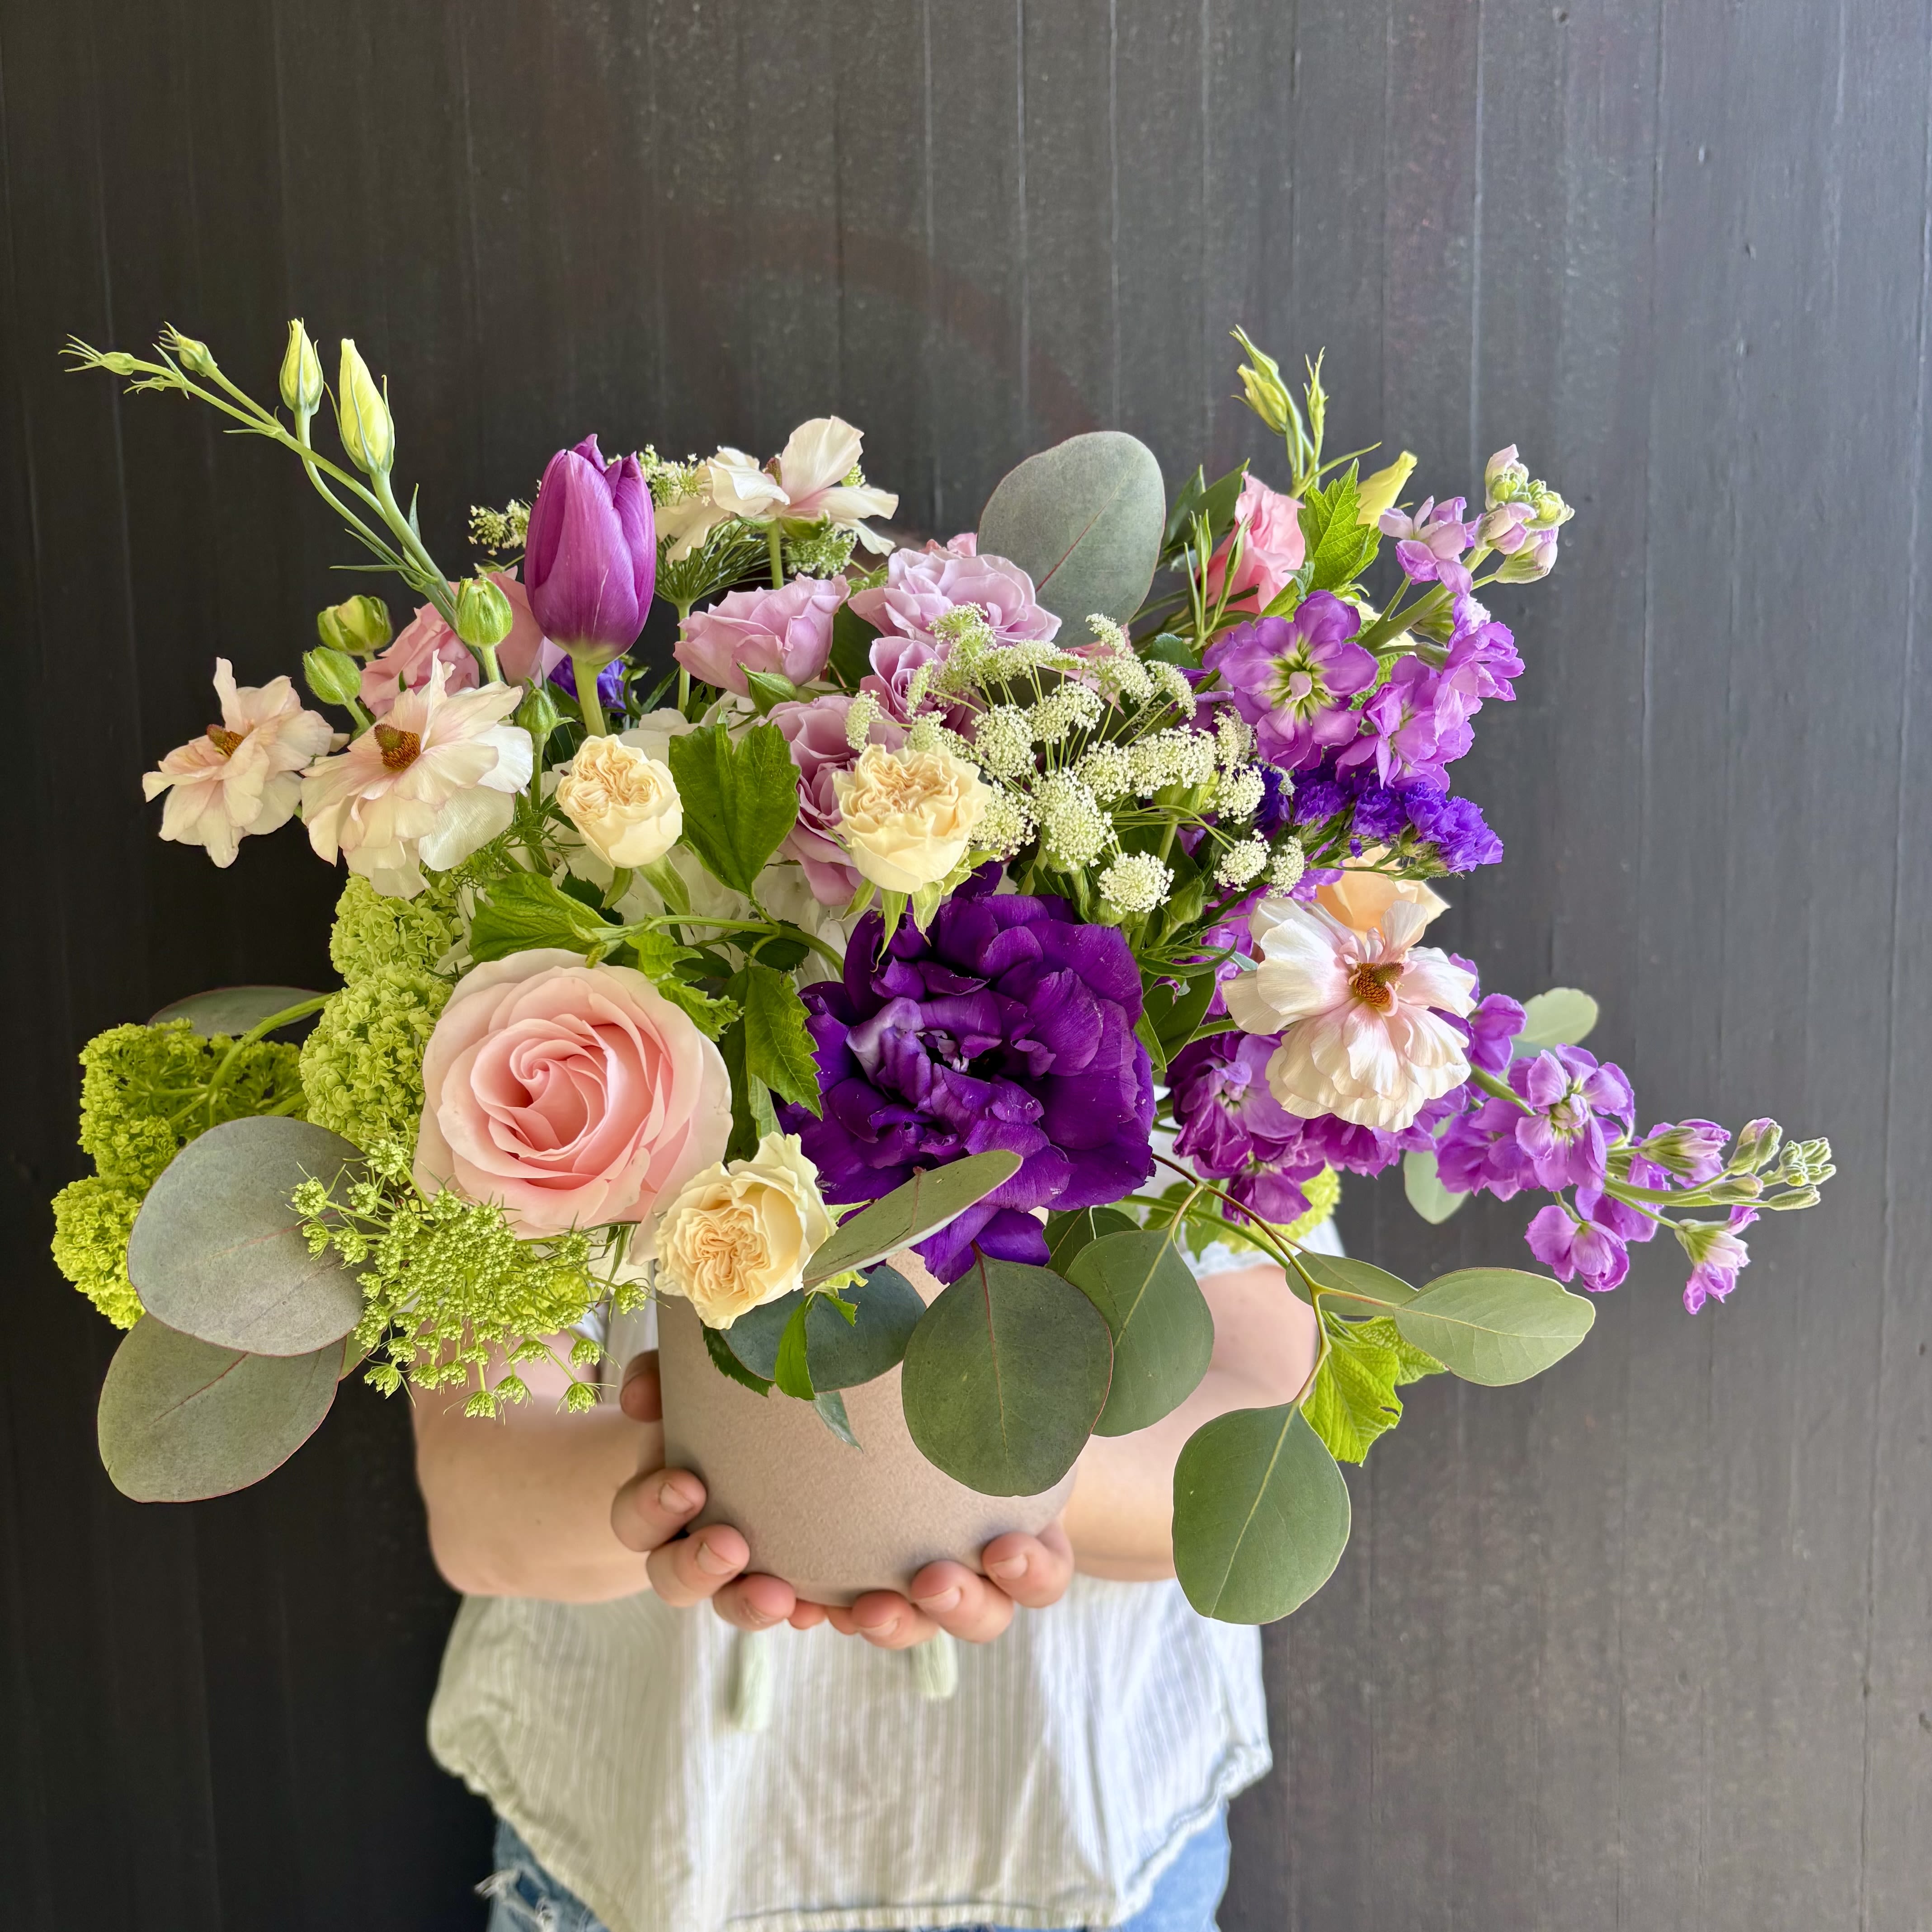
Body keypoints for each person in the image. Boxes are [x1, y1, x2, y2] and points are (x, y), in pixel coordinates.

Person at [411, 1242, 1324, 1932]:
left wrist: (978, 1455)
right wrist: (733, 1450)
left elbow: (1257, 1446)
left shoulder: (1224, 1044)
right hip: (638, 1870)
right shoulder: (515, 1057)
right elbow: (475, 1497)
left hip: (1092, 1863)